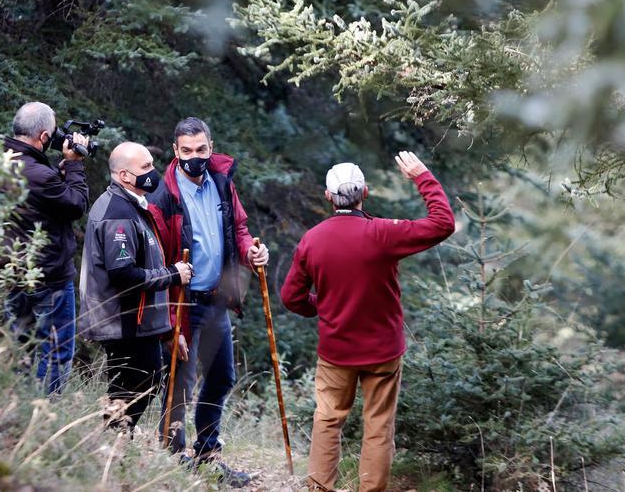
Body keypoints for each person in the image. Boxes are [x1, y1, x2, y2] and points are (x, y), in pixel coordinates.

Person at [280, 152, 455, 492]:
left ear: (328, 197)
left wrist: (323, 306)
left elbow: (291, 297)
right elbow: (443, 223)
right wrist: (422, 177)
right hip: (383, 352)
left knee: (328, 421)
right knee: (378, 426)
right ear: (365, 193)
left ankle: (319, 488)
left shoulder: (312, 240)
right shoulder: (383, 234)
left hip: (336, 352)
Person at [149, 117, 269, 487]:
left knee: (221, 377)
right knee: (180, 385)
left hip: (215, 299)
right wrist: (168, 323)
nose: (194, 157)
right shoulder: (163, 195)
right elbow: (156, 262)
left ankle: (207, 453)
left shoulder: (221, 180)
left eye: (201, 150)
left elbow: (240, 227)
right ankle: (172, 462)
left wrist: (250, 252)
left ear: (210, 147)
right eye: (186, 151)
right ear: (175, 151)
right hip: (181, 302)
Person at [79, 142, 193, 430]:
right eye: (145, 168)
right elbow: (123, 275)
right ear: (124, 176)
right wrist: (172, 274)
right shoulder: (117, 213)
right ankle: (110, 441)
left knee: (142, 382)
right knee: (136, 384)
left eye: (152, 165)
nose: (152, 172)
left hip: (137, 320)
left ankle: (115, 443)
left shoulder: (132, 206)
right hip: (122, 321)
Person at [0, 102, 90, 395]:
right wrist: (75, 164)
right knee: (55, 350)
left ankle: (13, 411)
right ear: (43, 137)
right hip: (48, 278)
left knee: (17, 349)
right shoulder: (40, 174)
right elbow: (76, 205)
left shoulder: (2, 161)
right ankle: (42, 416)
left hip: (10, 274)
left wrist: (61, 173)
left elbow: (41, 201)